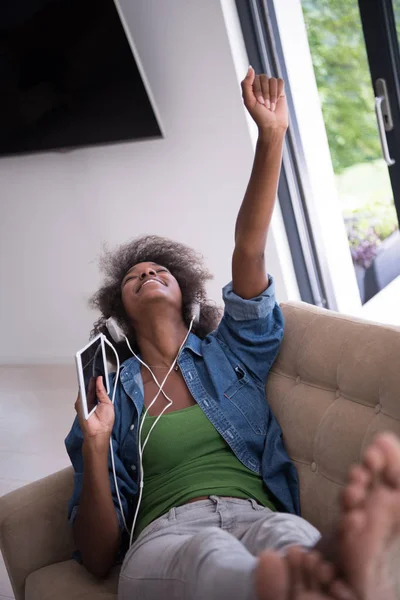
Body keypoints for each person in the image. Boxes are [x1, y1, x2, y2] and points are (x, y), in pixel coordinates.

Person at [65, 68, 400, 600]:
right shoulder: (107, 399)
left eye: (159, 270)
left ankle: (312, 570)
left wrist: (271, 138)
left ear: (187, 291)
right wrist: (95, 443)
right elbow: (100, 554)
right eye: (133, 278)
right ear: (120, 315)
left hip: (255, 515)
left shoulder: (231, 351)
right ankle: (304, 578)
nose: (148, 274)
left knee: (288, 534)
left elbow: (249, 249)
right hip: (166, 539)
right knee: (209, 556)